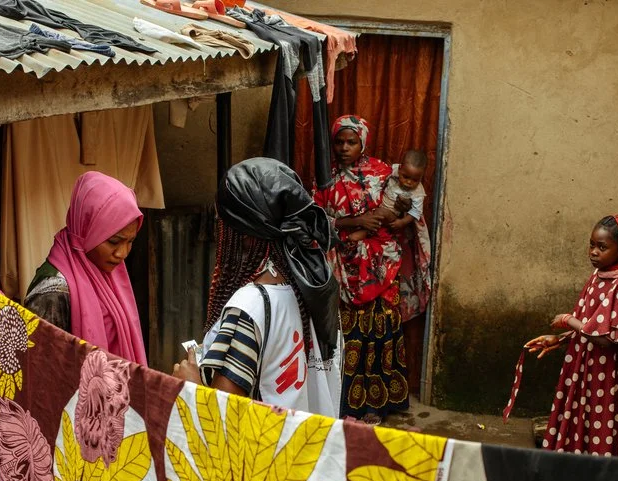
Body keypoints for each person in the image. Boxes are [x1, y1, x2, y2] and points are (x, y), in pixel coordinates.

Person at [172, 157, 343, 418]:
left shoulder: (248, 308)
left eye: (222, 222)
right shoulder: (312, 286)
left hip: (260, 453)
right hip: (300, 445)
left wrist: (190, 385)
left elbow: (222, 412)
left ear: (239, 233)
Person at [520, 215, 618, 456]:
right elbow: (591, 324)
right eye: (591, 245)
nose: (594, 252)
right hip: (581, 366)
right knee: (579, 419)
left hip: (603, 373)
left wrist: (568, 319)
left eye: (602, 247)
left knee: (599, 420)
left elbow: (607, 339)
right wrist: (559, 339)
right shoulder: (599, 277)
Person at [314, 114, 408, 423]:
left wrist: (378, 224)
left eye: (351, 142)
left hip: (380, 269)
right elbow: (315, 222)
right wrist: (356, 222)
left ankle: (376, 404)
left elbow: (398, 213)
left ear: (363, 142)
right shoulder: (324, 178)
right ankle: (346, 405)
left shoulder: (383, 174)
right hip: (341, 269)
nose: (344, 148)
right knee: (348, 336)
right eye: (339, 141)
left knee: (380, 333)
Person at [24, 172, 147, 365]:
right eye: (114, 242)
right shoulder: (53, 292)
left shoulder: (109, 274)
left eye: (130, 241)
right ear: (85, 229)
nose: (122, 253)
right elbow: (40, 369)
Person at [380, 149, 433, 321]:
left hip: (396, 225)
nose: (409, 183)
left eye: (415, 180)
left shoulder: (418, 192)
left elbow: (415, 214)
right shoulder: (392, 172)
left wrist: (401, 223)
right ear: (400, 168)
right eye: (405, 177)